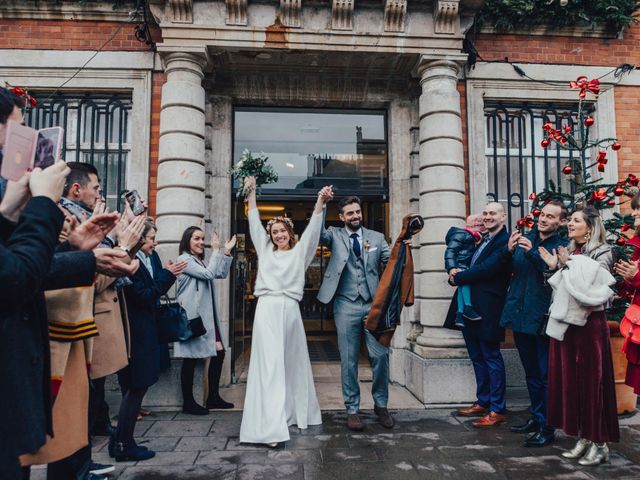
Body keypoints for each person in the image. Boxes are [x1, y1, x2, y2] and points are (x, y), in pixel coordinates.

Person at [239, 176, 328, 446]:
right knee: (270, 366)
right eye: (274, 232)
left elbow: (313, 231)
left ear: (290, 233)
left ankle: (292, 413)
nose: (278, 235)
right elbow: (254, 222)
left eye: (282, 231)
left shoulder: (300, 253)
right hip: (266, 308)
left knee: (292, 363)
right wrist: (251, 192)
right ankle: (270, 426)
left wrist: (320, 203)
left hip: (290, 310)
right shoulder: (265, 252)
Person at [539, 206, 620, 465]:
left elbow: (591, 290)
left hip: (590, 326)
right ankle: (583, 438)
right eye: (570, 220)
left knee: (592, 383)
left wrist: (566, 266)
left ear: (590, 226)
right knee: (573, 382)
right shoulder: (573, 251)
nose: (569, 224)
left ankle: (600, 442)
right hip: (568, 324)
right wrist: (554, 268)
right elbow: (563, 287)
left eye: (575, 221)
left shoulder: (603, 252)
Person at [317, 194, 392, 431]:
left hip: (373, 305)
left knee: (380, 355)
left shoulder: (377, 237)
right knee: (348, 360)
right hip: (345, 304)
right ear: (341, 217)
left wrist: (404, 247)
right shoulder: (335, 235)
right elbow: (317, 232)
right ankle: (352, 409)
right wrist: (321, 202)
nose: (355, 216)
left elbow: (391, 261)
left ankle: (381, 405)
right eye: (350, 213)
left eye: (357, 212)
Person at [113, 220, 187, 461]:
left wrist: (165, 275)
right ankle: (125, 444)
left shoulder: (149, 258)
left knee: (138, 387)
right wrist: (169, 276)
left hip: (148, 328)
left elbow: (154, 289)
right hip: (136, 331)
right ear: (139, 239)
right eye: (152, 237)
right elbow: (144, 296)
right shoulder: (129, 262)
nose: (155, 242)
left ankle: (120, 442)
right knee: (136, 387)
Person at [500, 200, 568, 447]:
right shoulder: (526, 238)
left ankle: (547, 427)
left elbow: (552, 274)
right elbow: (509, 269)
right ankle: (536, 417)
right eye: (542, 214)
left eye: (551, 217)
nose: (543, 219)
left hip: (542, 318)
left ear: (560, 222)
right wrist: (508, 252)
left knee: (544, 374)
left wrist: (529, 252)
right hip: (520, 315)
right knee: (531, 374)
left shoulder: (561, 245)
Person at [447, 202, 511, 427]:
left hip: (489, 309)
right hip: (471, 308)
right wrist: (453, 271)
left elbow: (488, 269)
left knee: (491, 357)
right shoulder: (481, 239)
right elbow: (464, 262)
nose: (487, 217)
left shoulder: (505, 242)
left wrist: (459, 277)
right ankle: (483, 401)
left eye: (493, 213)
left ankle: (497, 408)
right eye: (485, 213)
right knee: (477, 356)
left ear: (503, 217)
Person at [175, 227, 235, 414]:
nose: (201, 242)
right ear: (187, 241)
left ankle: (213, 397)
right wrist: (216, 250)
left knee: (219, 353)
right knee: (190, 360)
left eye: (203, 238)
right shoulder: (184, 260)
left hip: (207, 318)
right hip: (193, 318)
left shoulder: (197, 261)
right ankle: (188, 402)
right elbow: (210, 273)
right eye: (197, 239)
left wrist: (225, 252)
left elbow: (219, 273)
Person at [614, 192, 640, 396]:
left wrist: (636, 276)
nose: (634, 213)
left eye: (639, 208)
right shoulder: (636, 242)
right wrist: (627, 280)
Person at [444, 214, 486, 326]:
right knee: (465, 283)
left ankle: (459, 314)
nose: (480, 223)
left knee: (462, 288)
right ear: (470, 224)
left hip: (463, 265)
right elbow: (450, 251)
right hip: (461, 265)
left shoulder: (472, 237)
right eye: (477, 221)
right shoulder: (463, 234)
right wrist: (452, 267)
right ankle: (467, 307)